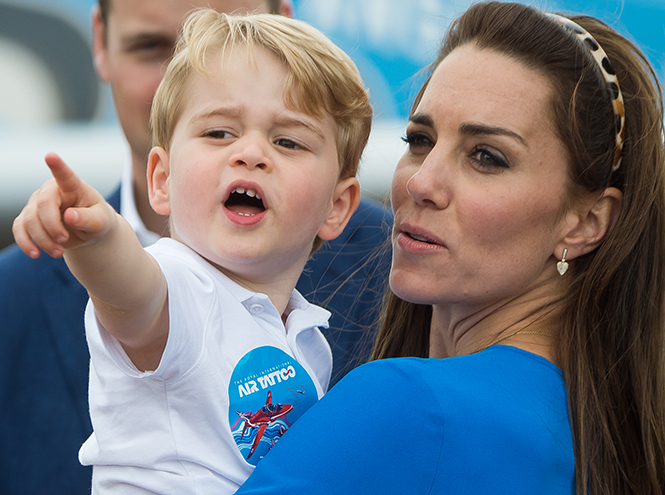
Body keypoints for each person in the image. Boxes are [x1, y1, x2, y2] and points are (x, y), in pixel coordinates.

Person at [235, 2, 665, 494]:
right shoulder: (608, 442)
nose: (421, 181)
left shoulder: (408, 406)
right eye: (419, 140)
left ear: (586, 222)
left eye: (486, 157)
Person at [0, 0, 390, 493]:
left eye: (288, 142)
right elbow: (131, 288)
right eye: (218, 132)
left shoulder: (307, 330)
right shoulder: (179, 285)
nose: (250, 153)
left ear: (337, 205)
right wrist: (97, 234)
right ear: (162, 178)